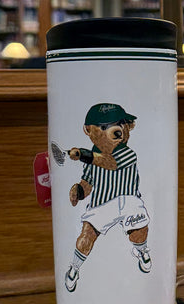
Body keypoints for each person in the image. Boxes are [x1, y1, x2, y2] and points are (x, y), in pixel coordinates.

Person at [63, 102, 152, 292]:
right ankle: (74, 269)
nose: (116, 131)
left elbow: (110, 163)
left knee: (139, 233)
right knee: (85, 238)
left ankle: (142, 251)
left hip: (129, 200)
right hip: (101, 204)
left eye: (119, 124)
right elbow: (87, 183)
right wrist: (78, 191)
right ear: (88, 130)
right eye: (104, 127)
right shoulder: (91, 159)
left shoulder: (128, 153)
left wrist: (82, 154)